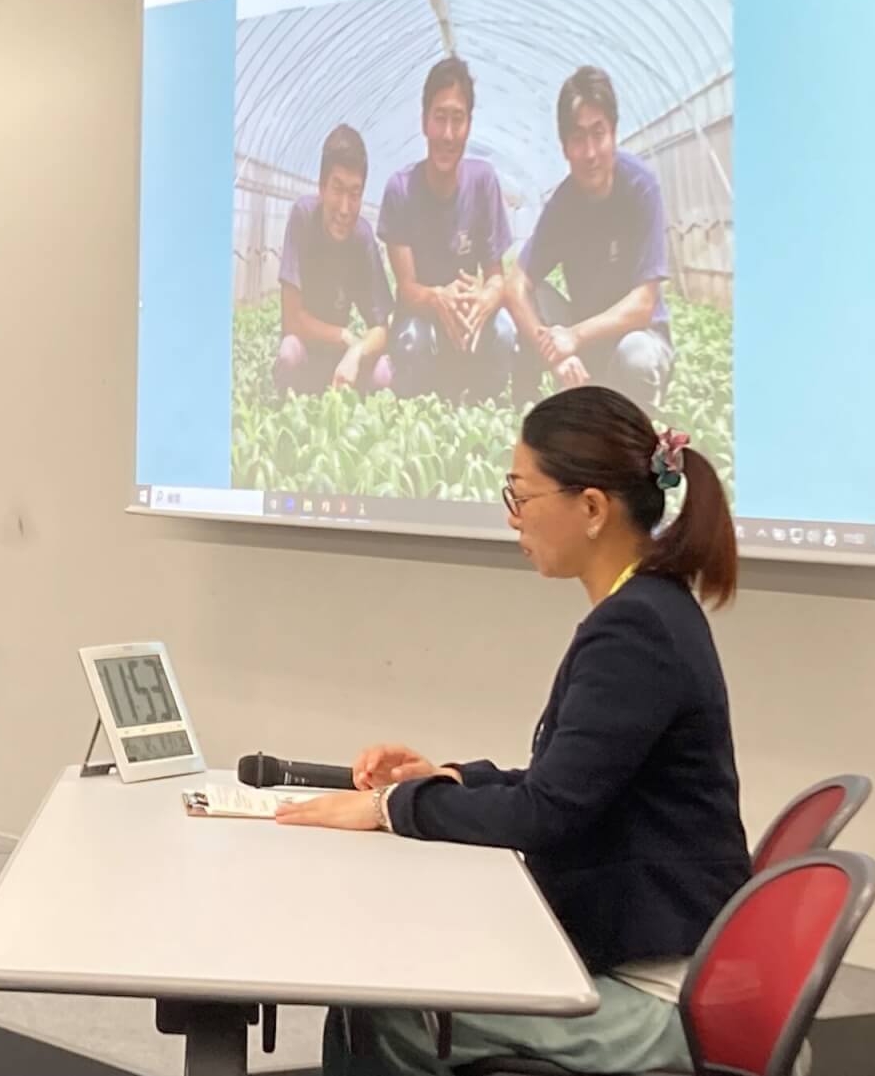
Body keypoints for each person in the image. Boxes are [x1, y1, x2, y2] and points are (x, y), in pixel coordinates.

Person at [276, 385, 748, 1075]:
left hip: (650, 1004)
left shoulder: (635, 628)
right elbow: (566, 781)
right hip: (646, 963)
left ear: (590, 507)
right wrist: (448, 779)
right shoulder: (648, 607)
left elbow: (547, 812)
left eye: (521, 497)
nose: (513, 519)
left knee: (377, 1014)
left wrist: (386, 807)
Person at [509, 66, 675, 413]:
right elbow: (516, 285)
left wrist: (574, 336)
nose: (589, 152)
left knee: (637, 357)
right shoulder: (564, 203)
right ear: (565, 147)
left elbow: (644, 304)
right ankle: (526, 407)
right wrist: (551, 351)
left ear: (614, 134)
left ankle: (635, 429)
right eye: (578, 138)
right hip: (586, 344)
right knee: (529, 296)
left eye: (598, 133)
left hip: (639, 337)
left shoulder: (640, 188)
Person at [378, 57, 518, 401]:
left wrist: (485, 297)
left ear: (470, 124)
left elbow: (497, 275)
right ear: (425, 122)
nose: (448, 134)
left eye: (458, 119)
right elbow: (407, 288)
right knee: (412, 343)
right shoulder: (401, 189)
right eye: (440, 118)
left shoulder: (484, 181)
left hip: (466, 317)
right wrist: (439, 297)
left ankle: (482, 408)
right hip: (421, 320)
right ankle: (423, 404)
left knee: (504, 332)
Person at [272, 124, 394, 395]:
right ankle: (293, 408)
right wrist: (344, 336)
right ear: (321, 187)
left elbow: (382, 329)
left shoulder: (362, 237)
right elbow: (292, 320)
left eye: (355, 194)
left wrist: (357, 351)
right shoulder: (303, 218)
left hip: (340, 362)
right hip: (306, 354)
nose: (344, 208)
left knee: (385, 371)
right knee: (289, 353)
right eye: (337, 189)